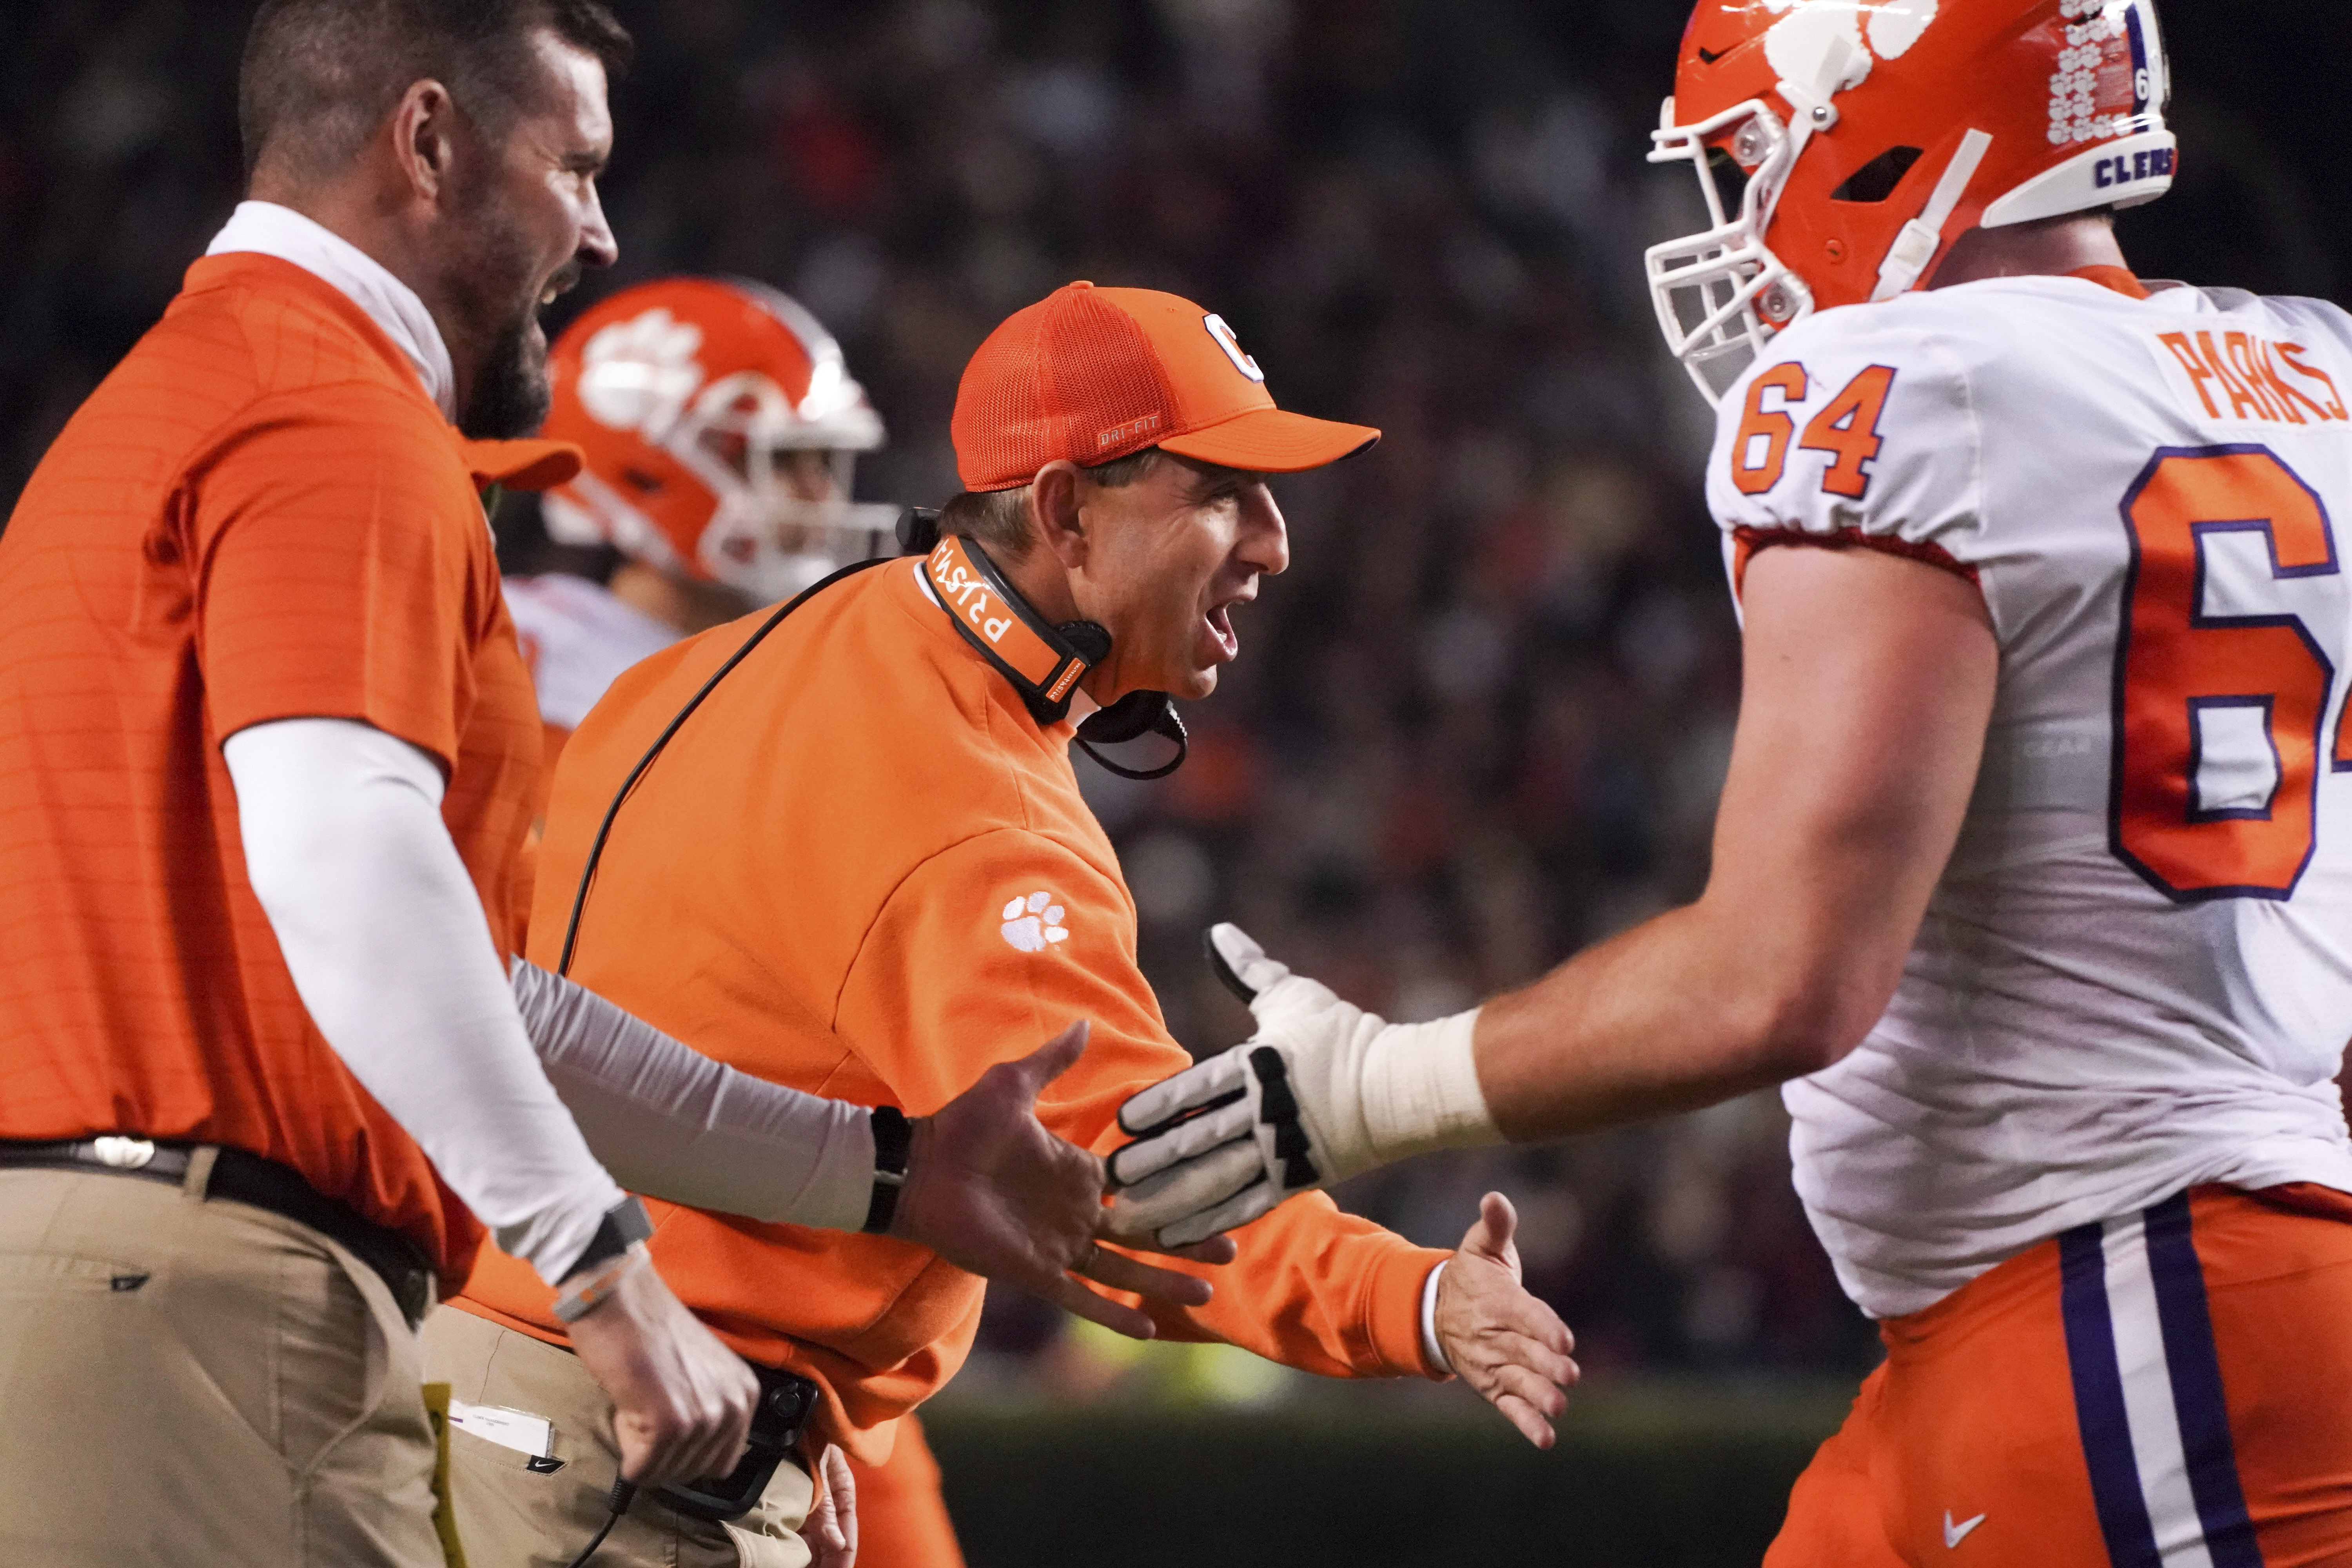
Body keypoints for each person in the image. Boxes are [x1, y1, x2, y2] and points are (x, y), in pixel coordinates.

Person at [1111, 2, 2352, 1562]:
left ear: (1891, 114)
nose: (1745, 196)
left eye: (1757, 144)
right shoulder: (2310, 374)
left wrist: (1366, 1087)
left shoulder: (1908, 381)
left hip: (2133, 1309)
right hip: (2107, 1302)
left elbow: (1782, 980)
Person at [0, 4, 1203, 1563]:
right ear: (426, 143)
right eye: (574, 167)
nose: (601, 226)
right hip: (203, 1288)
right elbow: (351, 868)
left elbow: (468, 986)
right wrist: (612, 1274)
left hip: (143, 1271)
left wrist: (883, 1173)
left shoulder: (186, 400)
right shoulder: (327, 410)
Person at [431, 279, 1580, 1568]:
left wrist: (795, 1416)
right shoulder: (972, 812)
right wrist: (1415, 1298)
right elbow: (1122, 1186)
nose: (1275, 542)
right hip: (643, 1443)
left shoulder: (707, 665)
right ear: (1064, 512)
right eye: (1219, 493)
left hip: (522, 1379)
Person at [496, 274, 971, 1568]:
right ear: (653, 474)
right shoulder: (511, 664)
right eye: (791, 464)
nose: (826, 501)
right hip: (562, 1272)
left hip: (795, 1290)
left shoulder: (825, 699)